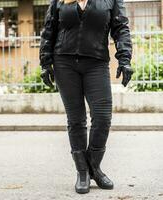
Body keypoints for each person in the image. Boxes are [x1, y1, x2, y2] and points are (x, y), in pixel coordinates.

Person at [39, 0, 133, 194]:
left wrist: (124, 59)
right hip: (64, 62)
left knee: (102, 117)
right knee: (76, 120)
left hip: (96, 63)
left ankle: (94, 168)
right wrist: (45, 62)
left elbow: (121, 27)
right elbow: (49, 29)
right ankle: (82, 172)